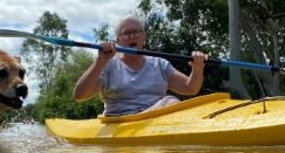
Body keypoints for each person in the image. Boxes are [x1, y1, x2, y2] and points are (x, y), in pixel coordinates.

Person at [73, 16, 209, 116]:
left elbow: (190, 88)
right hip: (121, 122)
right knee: (170, 101)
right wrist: (99, 62)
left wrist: (197, 69)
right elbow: (80, 95)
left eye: (136, 32)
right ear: (118, 40)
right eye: (126, 33)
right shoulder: (107, 65)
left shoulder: (159, 64)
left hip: (157, 121)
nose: (132, 36)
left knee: (171, 102)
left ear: (144, 36)